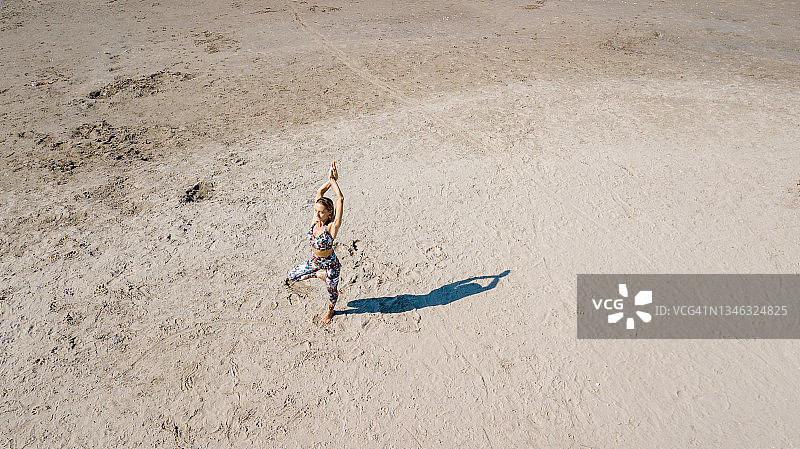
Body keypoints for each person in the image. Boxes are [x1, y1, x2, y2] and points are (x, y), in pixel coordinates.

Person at [286, 161, 344, 325]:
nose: (317, 214)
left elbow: (340, 198)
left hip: (330, 265)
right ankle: (320, 275)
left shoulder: (332, 227)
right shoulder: (314, 221)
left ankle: (330, 312)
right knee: (292, 276)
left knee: (332, 292)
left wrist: (334, 182)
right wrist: (330, 177)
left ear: (329, 213)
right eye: (316, 211)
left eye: (321, 212)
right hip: (315, 262)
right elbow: (320, 191)